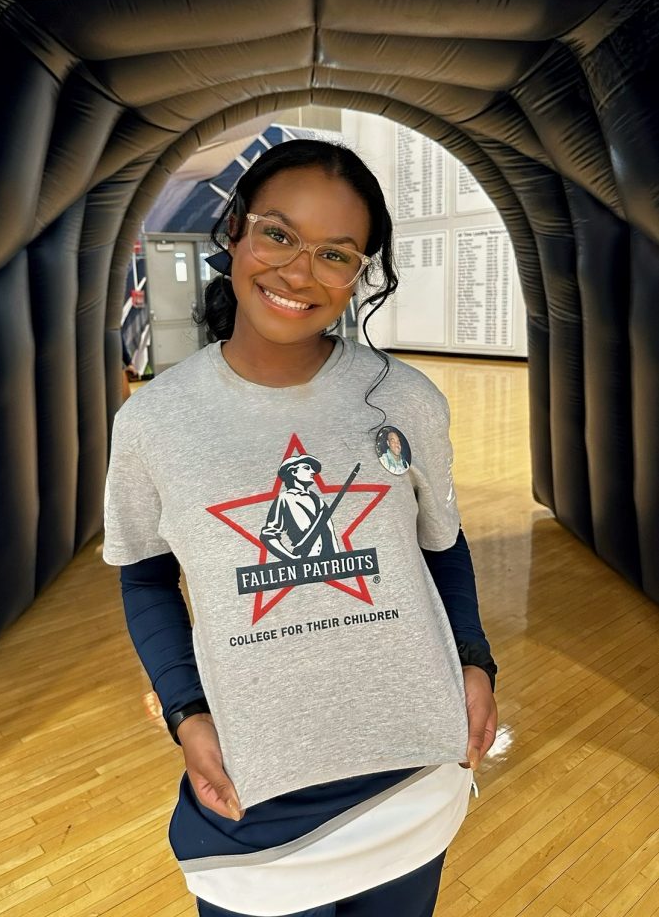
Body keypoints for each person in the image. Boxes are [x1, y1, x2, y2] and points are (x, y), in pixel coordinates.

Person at [103, 139, 498, 917]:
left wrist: (475, 660)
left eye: (335, 253)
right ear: (236, 234)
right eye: (278, 234)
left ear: (360, 274)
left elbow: (440, 545)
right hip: (253, 796)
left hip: (409, 777)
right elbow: (144, 573)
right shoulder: (153, 420)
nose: (298, 271)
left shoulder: (405, 398)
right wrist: (185, 710)